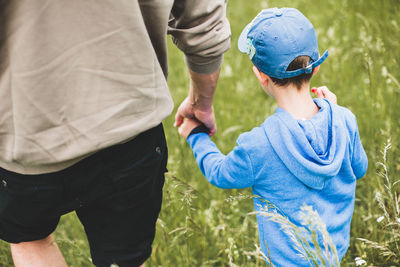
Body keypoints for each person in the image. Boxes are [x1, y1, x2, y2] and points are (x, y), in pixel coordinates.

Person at [0, 1, 230, 266]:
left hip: (24, 137)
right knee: (125, 261)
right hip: (130, 124)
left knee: (32, 240)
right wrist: (201, 101)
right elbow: (202, 14)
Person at [178, 7, 368, 266]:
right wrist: (334, 113)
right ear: (314, 69)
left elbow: (220, 174)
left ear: (261, 75)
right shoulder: (344, 119)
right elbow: (360, 168)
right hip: (334, 254)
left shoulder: (258, 145)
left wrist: (196, 135)